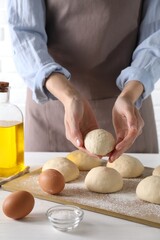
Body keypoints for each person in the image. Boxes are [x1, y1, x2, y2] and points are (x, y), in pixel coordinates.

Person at [7, 0, 160, 162]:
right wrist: (69, 97)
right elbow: (24, 33)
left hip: (130, 110)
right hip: (52, 108)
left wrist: (130, 94)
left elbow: (155, 34)